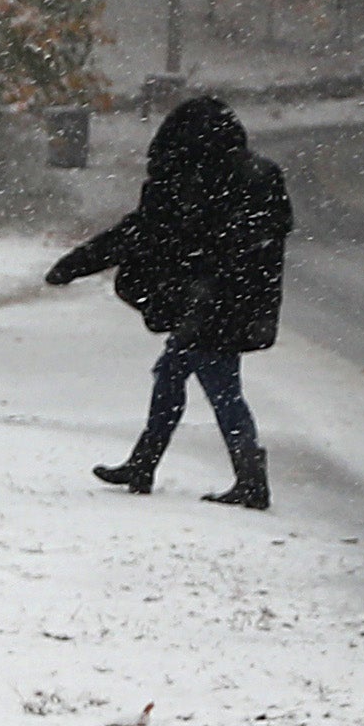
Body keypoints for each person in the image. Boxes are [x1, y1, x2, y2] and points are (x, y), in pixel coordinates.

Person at [47, 96, 291, 509]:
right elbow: (267, 239)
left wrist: (75, 264)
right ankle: (144, 464)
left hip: (208, 303)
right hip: (239, 300)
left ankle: (249, 478)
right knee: (172, 375)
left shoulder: (187, 178)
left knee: (221, 387)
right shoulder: (258, 174)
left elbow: (139, 233)